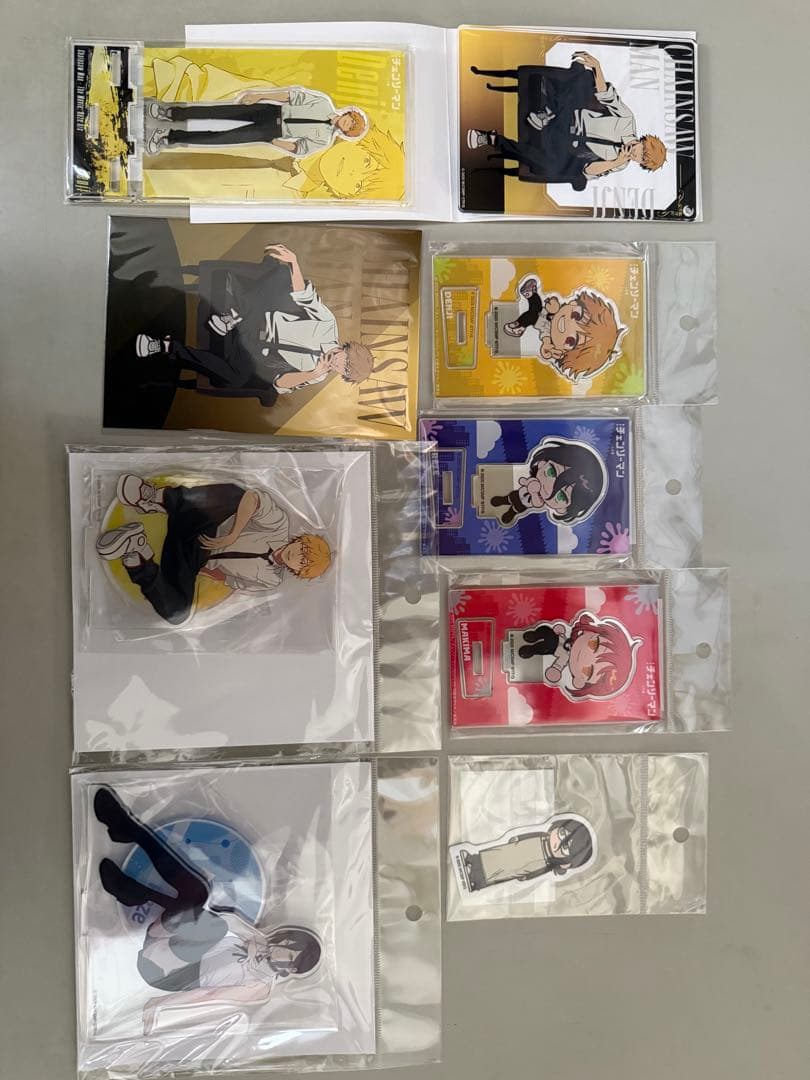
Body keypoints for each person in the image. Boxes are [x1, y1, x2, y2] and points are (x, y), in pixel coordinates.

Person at [92, 785, 321, 1035]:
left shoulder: (260, 987)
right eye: (286, 945)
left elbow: (207, 996)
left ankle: (133, 873)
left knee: (210, 924)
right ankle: (132, 842)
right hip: (174, 940)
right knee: (198, 894)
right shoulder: (259, 942)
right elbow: (227, 919)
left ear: (291, 970)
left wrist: (159, 1006)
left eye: (288, 957)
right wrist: (253, 937)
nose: (280, 953)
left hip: (166, 970)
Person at [135, 244, 375, 408]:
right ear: (347, 349)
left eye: (344, 371)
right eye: (346, 361)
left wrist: (313, 373)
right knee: (281, 280)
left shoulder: (317, 376)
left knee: (236, 378)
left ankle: (166, 347)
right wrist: (294, 262)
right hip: (259, 318)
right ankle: (234, 315)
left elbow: (279, 383)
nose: (339, 365)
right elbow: (304, 296)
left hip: (253, 350)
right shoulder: (327, 325)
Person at [95, 474, 332, 624]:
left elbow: (230, 580)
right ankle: (158, 498)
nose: (297, 556)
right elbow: (253, 498)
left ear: (298, 572)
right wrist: (233, 534)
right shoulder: (279, 525)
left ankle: (137, 553)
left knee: (178, 613)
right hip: (206, 523)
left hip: (194, 556)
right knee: (236, 494)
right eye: (303, 550)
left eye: (303, 563)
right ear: (300, 540)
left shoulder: (271, 580)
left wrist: (195, 572)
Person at [466, 51, 667, 187]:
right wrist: (597, 67)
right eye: (643, 151)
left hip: (564, 144)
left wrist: (615, 162)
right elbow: (605, 95)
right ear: (643, 141)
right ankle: (548, 112)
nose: (637, 155)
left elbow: (588, 170)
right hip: (569, 115)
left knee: (551, 165)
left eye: (642, 159)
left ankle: (492, 139)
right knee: (583, 81)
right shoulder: (627, 120)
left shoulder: (620, 164)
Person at [145, 87, 368, 158]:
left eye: (350, 128)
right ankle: (170, 112)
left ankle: (170, 138)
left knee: (220, 138)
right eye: (351, 121)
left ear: (346, 133)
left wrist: (274, 141)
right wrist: (260, 96)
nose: (347, 125)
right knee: (218, 111)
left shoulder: (325, 139)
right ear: (348, 114)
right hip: (269, 111)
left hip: (272, 131)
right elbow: (291, 96)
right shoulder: (323, 103)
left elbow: (299, 149)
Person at [502, 275, 625, 382]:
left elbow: (545, 336)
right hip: (544, 313)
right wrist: (554, 306)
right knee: (536, 308)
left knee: (532, 314)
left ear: (561, 353)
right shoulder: (559, 308)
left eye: (570, 341)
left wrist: (547, 345)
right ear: (573, 303)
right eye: (576, 315)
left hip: (540, 321)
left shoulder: (551, 338)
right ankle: (529, 298)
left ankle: (520, 324)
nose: (567, 327)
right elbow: (552, 302)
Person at [517, 611, 641, 700]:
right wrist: (561, 631)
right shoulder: (572, 637)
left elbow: (558, 666)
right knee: (546, 631)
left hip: (553, 649)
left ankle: (531, 649)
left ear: (579, 681)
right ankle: (535, 635)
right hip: (556, 635)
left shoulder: (564, 659)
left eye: (588, 670)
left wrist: (555, 670)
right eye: (594, 644)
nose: (584, 654)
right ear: (590, 631)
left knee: (545, 646)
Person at [488, 437, 607, 527]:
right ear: (542, 463)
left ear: (563, 509)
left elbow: (537, 503)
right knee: (511, 497)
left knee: (517, 508)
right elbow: (522, 481)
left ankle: (511, 513)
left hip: (524, 504)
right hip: (519, 493)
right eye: (551, 471)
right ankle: (503, 500)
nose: (549, 488)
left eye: (561, 496)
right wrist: (525, 482)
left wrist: (534, 493)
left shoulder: (539, 500)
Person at [457, 816, 595, 891]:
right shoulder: (542, 836)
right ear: (557, 827)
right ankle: (472, 860)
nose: (557, 842)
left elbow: (539, 872)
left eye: (565, 848)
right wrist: (518, 838)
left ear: (567, 863)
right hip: (516, 848)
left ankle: (476, 880)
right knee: (495, 854)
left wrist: (527, 877)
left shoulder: (546, 864)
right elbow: (530, 834)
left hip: (526, 864)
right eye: (562, 833)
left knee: (502, 873)